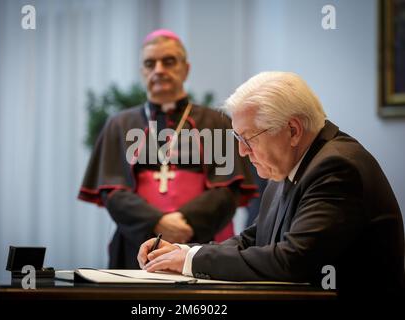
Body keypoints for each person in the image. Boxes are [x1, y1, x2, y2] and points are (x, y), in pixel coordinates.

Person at [138, 71, 405, 296]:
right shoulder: (292, 163)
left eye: (248, 138)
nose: (242, 152)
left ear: (292, 130)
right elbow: (255, 240)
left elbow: (293, 260)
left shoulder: (336, 168)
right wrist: (183, 252)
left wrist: (190, 261)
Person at [78, 29, 257, 269]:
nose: (159, 70)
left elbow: (228, 190)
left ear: (186, 68)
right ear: (142, 71)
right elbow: (111, 192)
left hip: (203, 244)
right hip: (135, 245)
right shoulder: (119, 125)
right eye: (150, 63)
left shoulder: (216, 122)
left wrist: (185, 222)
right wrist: (157, 222)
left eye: (169, 61)